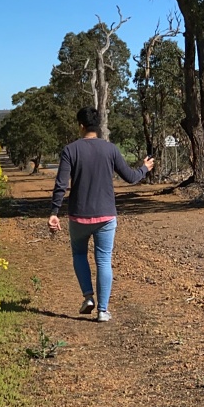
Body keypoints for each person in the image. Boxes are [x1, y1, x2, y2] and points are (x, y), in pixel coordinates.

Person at [46, 107, 154, 321]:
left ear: (81, 126)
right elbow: (131, 178)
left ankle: (88, 297)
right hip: (106, 216)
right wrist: (145, 168)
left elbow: (61, 184)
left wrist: (54, 211)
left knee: (79, 254)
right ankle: (103, 311)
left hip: (78, 216)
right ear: (97, 126)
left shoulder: (70, 150)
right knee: (103, 260)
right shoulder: (110, 149)